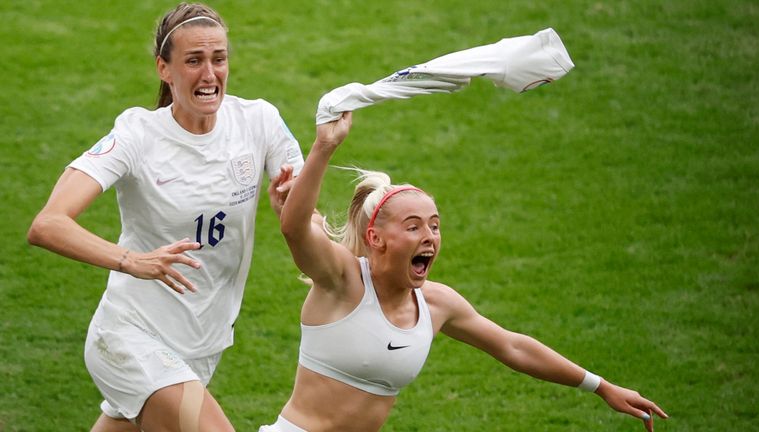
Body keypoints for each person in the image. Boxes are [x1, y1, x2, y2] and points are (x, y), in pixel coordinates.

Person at [261, 111, 669, 432]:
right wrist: (325, 147)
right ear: (377, 236)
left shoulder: (436, 303)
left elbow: (512, 347)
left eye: (435, 225)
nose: (429, 237)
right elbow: (296, 228)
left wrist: (600, 386)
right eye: (413, 226)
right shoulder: (343, 281)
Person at [27, 3, 305, 431]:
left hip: (200, 345)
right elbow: (48, 224)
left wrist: (293, 203)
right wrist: (132, 261)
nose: (210, 74)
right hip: (130, 339)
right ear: (164, 68)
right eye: (193, 61)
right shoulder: (138, 134)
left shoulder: (259, 121)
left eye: (219, 58)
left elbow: (306, 219)